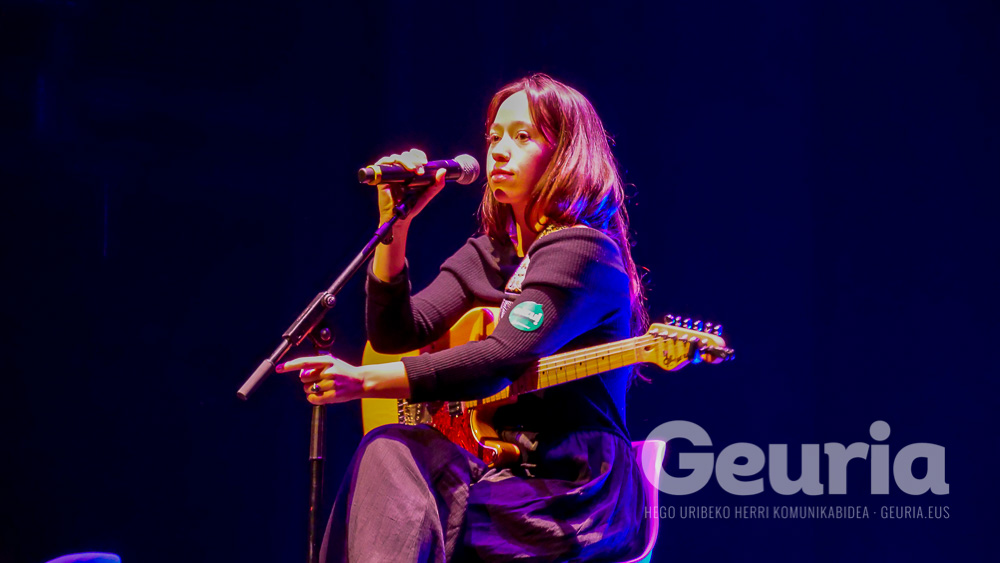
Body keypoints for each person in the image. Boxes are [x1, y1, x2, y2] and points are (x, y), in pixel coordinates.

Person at [277, 74, 649, 562]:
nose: (499, 151)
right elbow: (394, 335)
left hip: (571, 489)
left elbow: (501, 357)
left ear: (564, 153)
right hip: (490, 473)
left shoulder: (584, 251)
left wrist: (363, 382)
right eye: (494, 137)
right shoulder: (490, 254)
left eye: (522, 136)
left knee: (406, 504)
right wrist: (395, 225)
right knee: (387, 447)